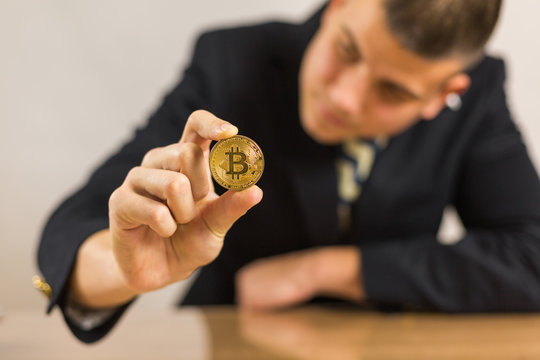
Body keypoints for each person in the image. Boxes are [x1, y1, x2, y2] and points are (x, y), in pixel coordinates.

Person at [37, 0, 540, 344]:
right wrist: (125, 269)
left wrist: (326, 270)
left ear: (444, 95)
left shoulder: (479, 97)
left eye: (393, 92)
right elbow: (68, 234)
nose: (344, 98)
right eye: (347, 49)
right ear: (339, 6)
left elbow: (532, 257)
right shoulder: (232, 61)